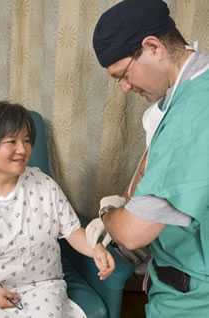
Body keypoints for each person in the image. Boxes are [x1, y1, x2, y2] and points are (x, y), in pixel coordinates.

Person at [86, 0, 209, 317]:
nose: (125, 87)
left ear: (153, 46)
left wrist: (109, 213)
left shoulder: (195, 113)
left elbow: (132, 232)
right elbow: (153, 167)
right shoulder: (183, 97)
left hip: (193, 298)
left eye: (123, 74)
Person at [0, 101, 115, 318]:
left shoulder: (44, 184)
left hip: (40, 286)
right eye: (11, 141)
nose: (23, 149)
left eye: (26, 140)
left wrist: (95, 249)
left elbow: (71, 230)